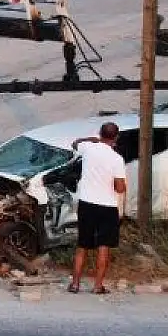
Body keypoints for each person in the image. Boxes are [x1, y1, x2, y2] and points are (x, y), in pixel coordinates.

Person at [67, 122, 127, 294]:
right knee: (104, 246)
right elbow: (120, 188)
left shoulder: (88, 149)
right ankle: (98, 286)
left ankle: (75, 284)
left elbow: (75, 143)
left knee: (82, 245)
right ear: (116, 137)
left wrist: (91, 139)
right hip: (107, 206)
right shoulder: (117, 159)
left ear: (100, 134)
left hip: (86, 203)